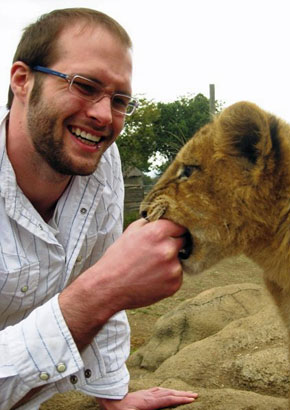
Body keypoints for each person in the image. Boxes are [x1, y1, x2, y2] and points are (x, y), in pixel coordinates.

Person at [0, 7, 198, 410]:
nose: (104, 116)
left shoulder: (103, 163)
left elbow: (100, 279)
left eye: (120, 99)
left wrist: (112, 396)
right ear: (22, 80)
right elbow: (103, 287)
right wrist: (106, 288)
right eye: (85, 85)